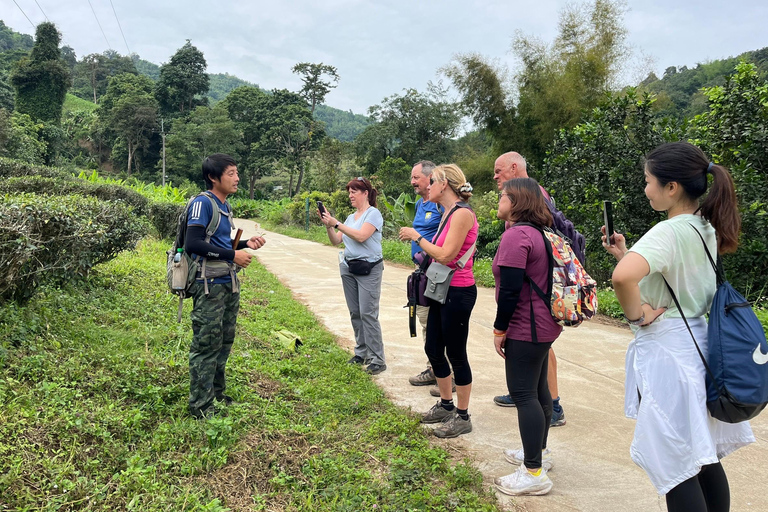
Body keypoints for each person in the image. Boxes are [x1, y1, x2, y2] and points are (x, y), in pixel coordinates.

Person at [603, 142, 754, 510]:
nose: (645, 188)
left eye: (648, 180)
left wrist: (637, 315)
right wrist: (626, 253)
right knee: (702, 456)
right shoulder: (703, 227)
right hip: (699, 346)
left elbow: (623, 279)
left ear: (672, 188)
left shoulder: (668, 232)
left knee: (675, 465)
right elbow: (673, 277)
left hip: (670, 353)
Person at [491, 178, 562, 496]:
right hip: (545, 325)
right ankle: (540, 453)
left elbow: (509, 290)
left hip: (525, 326)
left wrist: (499, 328)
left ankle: (533, 472)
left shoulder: (517, 235)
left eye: (503, 195)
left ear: (516, 202)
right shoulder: (541, 233)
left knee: (523, 395)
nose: (499, 198)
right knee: (539, 390)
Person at [490, 151, 569, 427]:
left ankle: (553, 406)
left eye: (499, 171)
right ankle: (539, 398)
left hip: (531, 312)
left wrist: (500, 327)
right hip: (539, 309)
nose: (496, 177)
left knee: (536, 371)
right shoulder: (530, 202)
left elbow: (513, 285)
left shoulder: (530, 204)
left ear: (514, 168)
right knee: (535, 372)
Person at [399, 164, 478, 438]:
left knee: (456, 354)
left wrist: (416, 236)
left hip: (458, 292)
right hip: (441, 290)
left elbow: (446, 255)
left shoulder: (462, 214)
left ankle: (463, 415)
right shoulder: (448, 213)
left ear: (444, 184)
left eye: (431, 181)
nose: (426, 186)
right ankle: (446, 405)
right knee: (433, 347)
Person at [185, 153, 266, 419]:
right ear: (213, 177)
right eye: (230, 173)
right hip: (208, 285)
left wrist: (244, 244)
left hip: (227, 283)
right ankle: (200, 406)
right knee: (206, 344)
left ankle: (216, 393)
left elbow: (218, 244)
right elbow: (193, 244)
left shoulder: (225, 206)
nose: (237, 178)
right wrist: (233, 255)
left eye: (236, 172)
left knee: (224, 341)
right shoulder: (202, 204)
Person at [320, 177, 387, 375]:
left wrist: (336, 223)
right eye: (349, 192)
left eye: (354, 192)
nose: (350, 195)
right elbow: (335, 241)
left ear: (365, 193)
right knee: (355, 312)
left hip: (369, 268)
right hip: (349, 267)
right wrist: (328, 225)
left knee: (368, 313)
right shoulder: (350, 218)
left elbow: (361, 236)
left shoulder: (373, 214)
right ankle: (362, 352)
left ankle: (377, 358)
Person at [406, 160, 453, 394]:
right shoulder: (420, 203)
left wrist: (417, 239)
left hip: (438, 273)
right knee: (426, 322)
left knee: (437, 324)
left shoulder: (440, 206)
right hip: (423, 272)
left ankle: (447, 373)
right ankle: (434, 368)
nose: (413, 182)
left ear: (431, 178)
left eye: (417, 178)